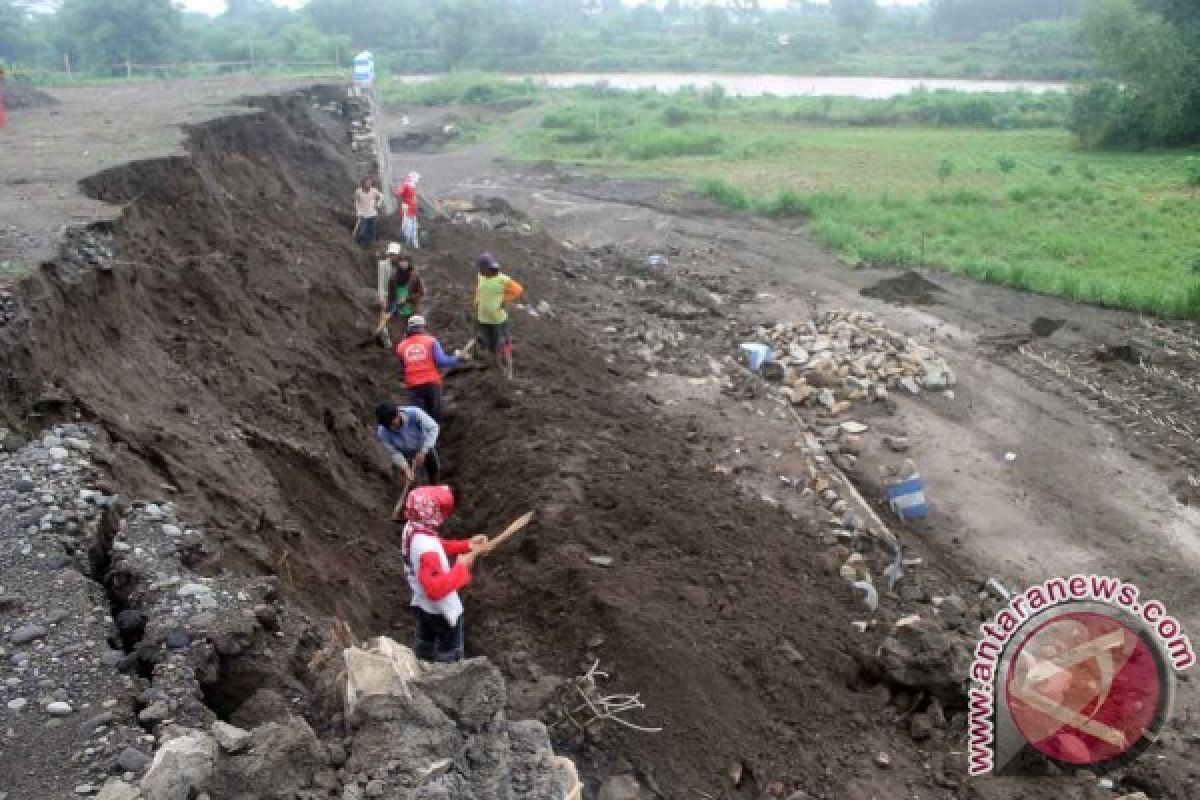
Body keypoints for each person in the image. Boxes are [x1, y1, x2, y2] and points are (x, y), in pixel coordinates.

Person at [400, 485, 488, 662]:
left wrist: (468, 545)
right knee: (450, 652)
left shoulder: (413, 528)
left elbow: (437, 544)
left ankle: (421, 663)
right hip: (442, 613)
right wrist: (461, 568)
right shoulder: (426, 549)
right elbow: (436, 590)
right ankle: (447, 679)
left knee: (425, 640)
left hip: (423, 605)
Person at [395, 315, 462, 423]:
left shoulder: (400, 346)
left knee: (421, 418)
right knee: (434, 416)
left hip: (413, 385)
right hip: (432, 383)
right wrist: (457, 358)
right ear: (423, 327)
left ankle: (423, 437)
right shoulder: (431, 341)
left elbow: (403, 367)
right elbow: (442, 361)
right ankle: (434, 437)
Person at [474, 253, 524, 380]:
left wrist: (504, 300)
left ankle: (510, 372)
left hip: (498, 321)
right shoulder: (481, 277)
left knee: (504, 345)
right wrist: (477, 301)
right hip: (483, 320)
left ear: (487, 268)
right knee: (492, 347)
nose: (480, 270)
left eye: (481, 268)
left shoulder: (503, 279)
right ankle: (501, 371)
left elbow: (518, 290)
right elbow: (479, 290)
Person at [376, 401, 441, 486]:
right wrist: (405, 467)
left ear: (398, 414)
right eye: (387, 426)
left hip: (423, 446)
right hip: (405, 455)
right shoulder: (382, 432)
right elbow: (394, 452)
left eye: (392, 423)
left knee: (434, 468)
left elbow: (433, 428)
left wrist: (424, 451)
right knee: (412, 481)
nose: (391, 428)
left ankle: (434, 486)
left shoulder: (415, 413)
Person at [377, 242, 425, 326]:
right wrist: (387, 303)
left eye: (405, 262)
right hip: (398, 311)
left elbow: (420, 293)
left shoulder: (414, 276)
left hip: (412, 310)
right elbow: (387, 290)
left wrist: (407, 299)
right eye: (401, 262)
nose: (403, 263)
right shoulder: (393, 276)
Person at [354, 176, 383, 248]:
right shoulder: (358, 191)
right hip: (363, 214)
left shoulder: (374, 190)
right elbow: (356, 202)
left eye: (370, 182)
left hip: (372, 214)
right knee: (362, 231)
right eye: (367, 182)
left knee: (372, 230)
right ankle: (361, 245)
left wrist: (378, 204)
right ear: (363, 183)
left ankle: (371, 245)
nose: (369, 184)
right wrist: (358, 211)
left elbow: (382, 196)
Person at [395, 172, 420, 249]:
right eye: (416, 178)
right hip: (407, 210)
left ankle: (415, 243)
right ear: (412, 178)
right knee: (408, 227)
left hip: (413, 210)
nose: (417, 180)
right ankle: (407, 244)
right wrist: (403, 202)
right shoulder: (405, 185)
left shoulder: (413, 186)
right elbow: (398, 193)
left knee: (414, 227)